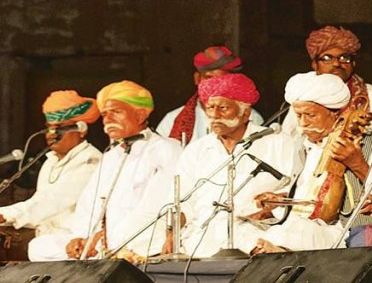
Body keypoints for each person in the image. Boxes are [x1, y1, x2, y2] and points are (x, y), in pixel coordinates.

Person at [29, 81, 182, 261]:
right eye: (104, 114)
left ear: (140, 115)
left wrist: (103, 239)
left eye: (116, 112)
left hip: (140, 241)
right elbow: (88, 207)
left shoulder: (166, 149)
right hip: (102, 243)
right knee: (37, 246)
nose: (108, 120)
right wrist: (80, 238)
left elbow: (152, 211)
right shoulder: (110, 156)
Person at [252, 71, 372, 253]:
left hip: (345, 232)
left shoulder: (370, 147)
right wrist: (281, 201)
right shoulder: (301, 148)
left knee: (299, 231)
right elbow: (308, 197)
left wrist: (357, 163)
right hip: (297, 227)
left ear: (335, 114)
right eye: (299, 116)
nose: (303, 123)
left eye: (310, 115)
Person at [168, 74, 301, 258]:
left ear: (245, 113)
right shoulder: (196, 150)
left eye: (223, 108)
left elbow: (296, 193)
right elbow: (182, 202)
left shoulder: (278, 144)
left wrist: (271, 207)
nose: (215, 116)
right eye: (210, 108)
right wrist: (171, 234)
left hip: (259, 241)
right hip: (201, 245)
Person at [2, 91, 102, 261]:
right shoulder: (50, 162)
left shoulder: (91, 161)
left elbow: (50, 203)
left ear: (81, 130)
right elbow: (37, 202)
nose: (52, 134)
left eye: (60, 128)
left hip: (72, 241)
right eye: (49, 128)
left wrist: (6, 215)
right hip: (43, 236)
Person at [282, 26, 372, 142]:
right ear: (315, 65)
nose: (337, 63)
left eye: (344, 57)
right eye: (327, 58)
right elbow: (287, 139)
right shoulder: (302, 95)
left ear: (353, 63)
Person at [156, 46, 264, 145]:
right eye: (209, 78)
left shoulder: (250, 117)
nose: (214, 85)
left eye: (221, 80)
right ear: (197, 79)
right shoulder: (172, 120)